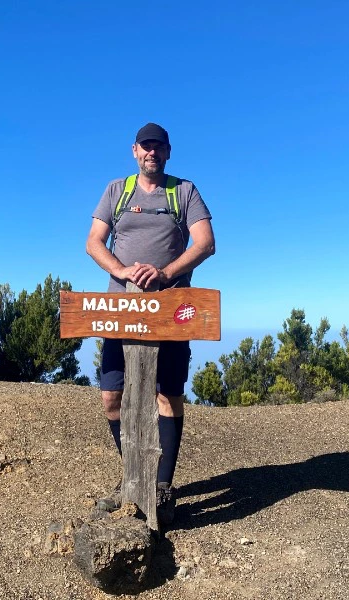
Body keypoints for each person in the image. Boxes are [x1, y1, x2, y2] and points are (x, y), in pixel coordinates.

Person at [85, 122, 215, 525]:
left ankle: (160, 486)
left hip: (171, 310)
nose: (151, 153)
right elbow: (93, 241)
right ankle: (133, 478)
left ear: (168, 151)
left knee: (167, 394)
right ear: (134, 151)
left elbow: (205, 242)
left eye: (158, 147)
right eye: (145, 147)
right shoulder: (115, 191)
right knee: (111, 396)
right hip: (119, 310)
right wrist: (125, 272)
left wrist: (163, 273)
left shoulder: (184, 191)